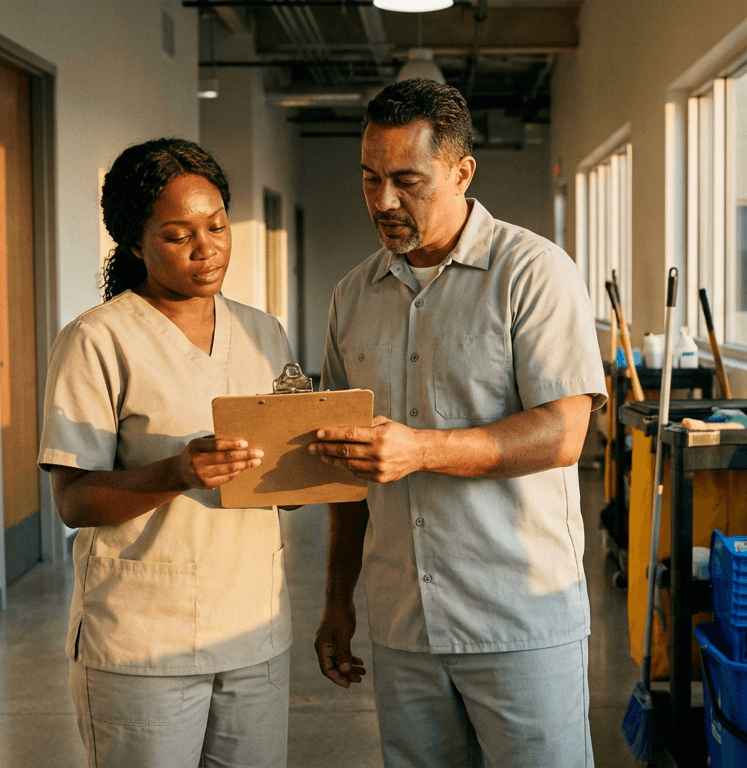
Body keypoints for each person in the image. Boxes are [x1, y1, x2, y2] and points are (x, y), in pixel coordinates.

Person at [309, 79, 607, 768]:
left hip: (517, 618)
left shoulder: (532, 273)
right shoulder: (353, 296)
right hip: (403, 621)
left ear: (461, 171)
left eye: (407, 180)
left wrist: (420, 450)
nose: (384, 201)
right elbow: (345, 471)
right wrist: (336, 600)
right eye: (370, 178)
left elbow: (566, 432)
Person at [38, 138, 300, 768]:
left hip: (253, 628)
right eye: (179, 234)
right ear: (135, 242)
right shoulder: (96, 340)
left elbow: (286, 474)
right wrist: (178, 472)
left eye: (216, 226)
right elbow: (74, 500)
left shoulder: (264, 333)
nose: (206, 247)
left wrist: (317, 457)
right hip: (143, 640)